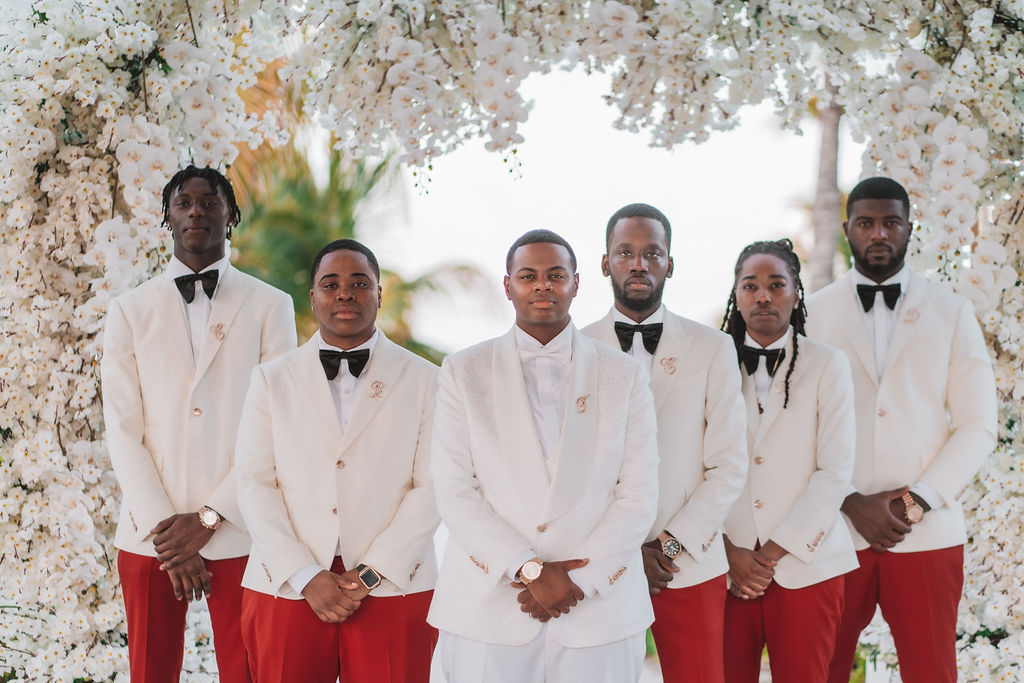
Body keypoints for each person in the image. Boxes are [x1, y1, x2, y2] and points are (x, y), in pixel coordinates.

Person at [428, 229, 659, 682]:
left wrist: (578, 581)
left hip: (600, 612)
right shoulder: (462, 370)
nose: (542, 285)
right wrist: (527, 567)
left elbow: (638, 493)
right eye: (528, 275)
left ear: (576, 282)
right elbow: (455, 490)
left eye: (555, 275)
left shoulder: (625, 375)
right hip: (488, 610)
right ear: (508, 285)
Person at [101, 165, 297, 682]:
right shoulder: (127, 311)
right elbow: (122, 430)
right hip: (151, 537)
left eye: (210, 202)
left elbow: (277, 426)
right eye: (183, 202)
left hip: (240, 531)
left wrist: (209, 518)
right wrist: (170, 536)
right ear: (166, 217)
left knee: (249, 670)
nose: (196, 211)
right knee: (150, 672)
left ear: (230, 216)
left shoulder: (271, 306)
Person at [804, 177, 998, 683]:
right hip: (833, 532)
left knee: (933, 672)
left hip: (927, 532)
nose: (879, 234)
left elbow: (978, 424)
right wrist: (847, 499)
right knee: (822, 668)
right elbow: (797, 425)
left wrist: (918, 502)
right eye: (866, 223)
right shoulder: (812, 314)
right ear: (847, 229)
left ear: (910, 228)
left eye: (891, 222)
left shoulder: (952, 312)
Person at [234, 239, 440, 682]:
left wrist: (370, 574)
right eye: (331, 284)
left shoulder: (428, 380)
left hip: (393, 585)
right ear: (313, 298)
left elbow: (434, 486)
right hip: (287, 585)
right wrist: (306, 575)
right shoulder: (270, 380)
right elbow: (253, 483)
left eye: (359, 283)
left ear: (380, 294)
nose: (345, 293)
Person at [581, 203, 747, 683]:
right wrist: (625, 550)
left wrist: (669, 547)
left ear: (669, 263)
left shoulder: (713, 347)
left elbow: (728, 463)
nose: (638, 264)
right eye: (625, 252)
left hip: (689, 562)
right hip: (601, 564)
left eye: (652, 253)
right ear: (605, 263)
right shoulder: (574, 348)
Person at [719, 239, 858, 682]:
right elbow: (689, 466)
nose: (763, 296)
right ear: (736, 295)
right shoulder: (709, 364)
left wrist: (771, 554)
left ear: (797, 292)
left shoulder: (829, 365)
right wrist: (730, 553)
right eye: (751, 285)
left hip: (806, 565)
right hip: (723, 567)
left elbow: (835, 471)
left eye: (776, 285)